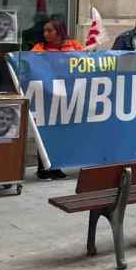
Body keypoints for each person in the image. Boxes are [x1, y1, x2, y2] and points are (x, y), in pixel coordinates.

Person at [30, 18, 80, 179]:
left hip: (69, 96)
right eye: (44, 31)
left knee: (63, 133)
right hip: (46, 96)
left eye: (49, 31)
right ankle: (43, 168)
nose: (45, 34)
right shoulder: (39, 48)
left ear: (59, 31)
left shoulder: (74, 46)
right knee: (45, 132)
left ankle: (57, 166)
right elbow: (29, 63)